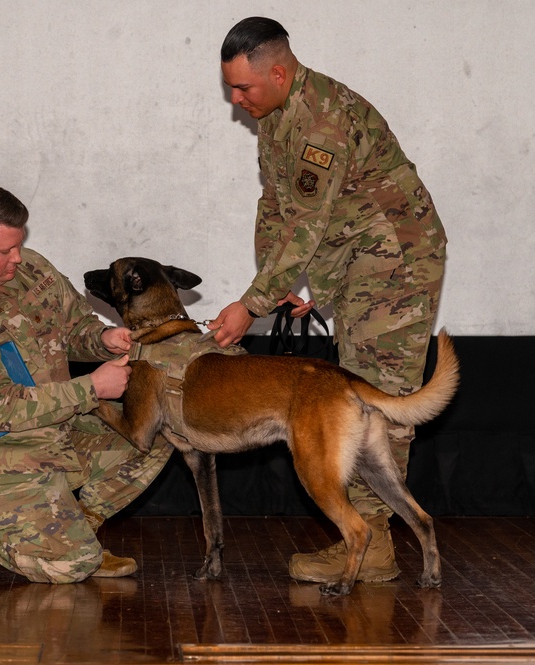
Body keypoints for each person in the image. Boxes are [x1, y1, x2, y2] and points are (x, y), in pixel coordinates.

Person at [209, 17, 447, 584]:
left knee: (378, 402)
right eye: (230, 89)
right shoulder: (275, 115)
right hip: (358, 262)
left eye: (243, 88)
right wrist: (281, 280)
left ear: (279, 71)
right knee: (359, 399)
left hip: (397, 262)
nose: (237, 100)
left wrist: (253, 303)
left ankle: (374, 546)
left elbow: (308, 223)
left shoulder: (322, 122)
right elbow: (277, 207)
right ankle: (368, 540)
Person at [0, 184, 173, 584]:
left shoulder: (31, 267)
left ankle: (75, 532)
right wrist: (93, 387)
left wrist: (102, 340)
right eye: (5, 251)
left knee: (162, 426)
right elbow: (1, 409)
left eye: (20, 245)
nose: (18, 258)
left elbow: (75, 326)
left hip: (58, 426)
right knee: (69, 568)